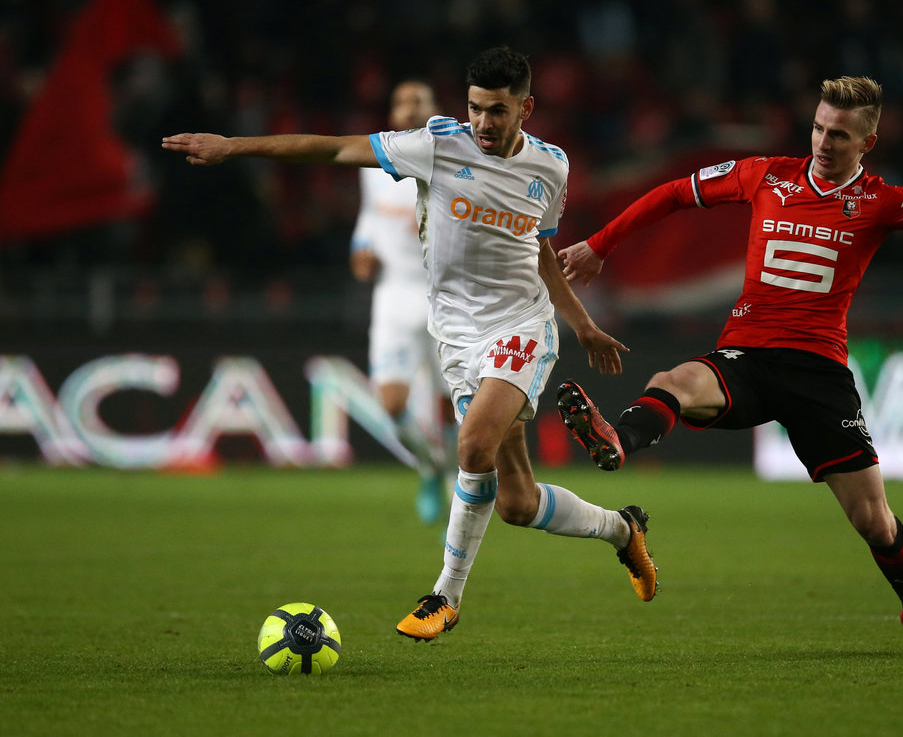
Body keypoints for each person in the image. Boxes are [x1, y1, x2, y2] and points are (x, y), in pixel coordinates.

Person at [555, 75, 903, 655]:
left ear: (867, 143)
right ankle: (618, 441)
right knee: (673, 381)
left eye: (840, 135)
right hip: (747, 355)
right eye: (819, 128)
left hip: (819, 375)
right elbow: (675, 192)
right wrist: (600, 244)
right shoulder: (765, 175)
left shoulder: (882, 201)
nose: (824, 143)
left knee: (875, 521)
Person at [163, 47, 658, 643]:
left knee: (472, 446)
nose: (483, 123)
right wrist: (232, 147)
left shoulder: (551, 166)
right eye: (475, 108)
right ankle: (623, 529)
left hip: (521, 326)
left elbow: (541, 247)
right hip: (456, 337)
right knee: (517, 504)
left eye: (498, 111)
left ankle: (445, 596)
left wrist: (579, 322)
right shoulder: (436, 146)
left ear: (526, 109)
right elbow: (332, 148)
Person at [350, 79, 457, 525]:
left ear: (435, 109)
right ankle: (430, 467)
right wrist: (361, 250)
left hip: (444, 297)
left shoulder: (454, 162)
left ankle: (455, 478)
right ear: (392, 112)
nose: (409, 108)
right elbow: (369, 217)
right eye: (401, 102)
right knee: (392, 405)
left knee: (452, 406)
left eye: (419, 101)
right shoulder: (374, 164)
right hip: (394, 295)